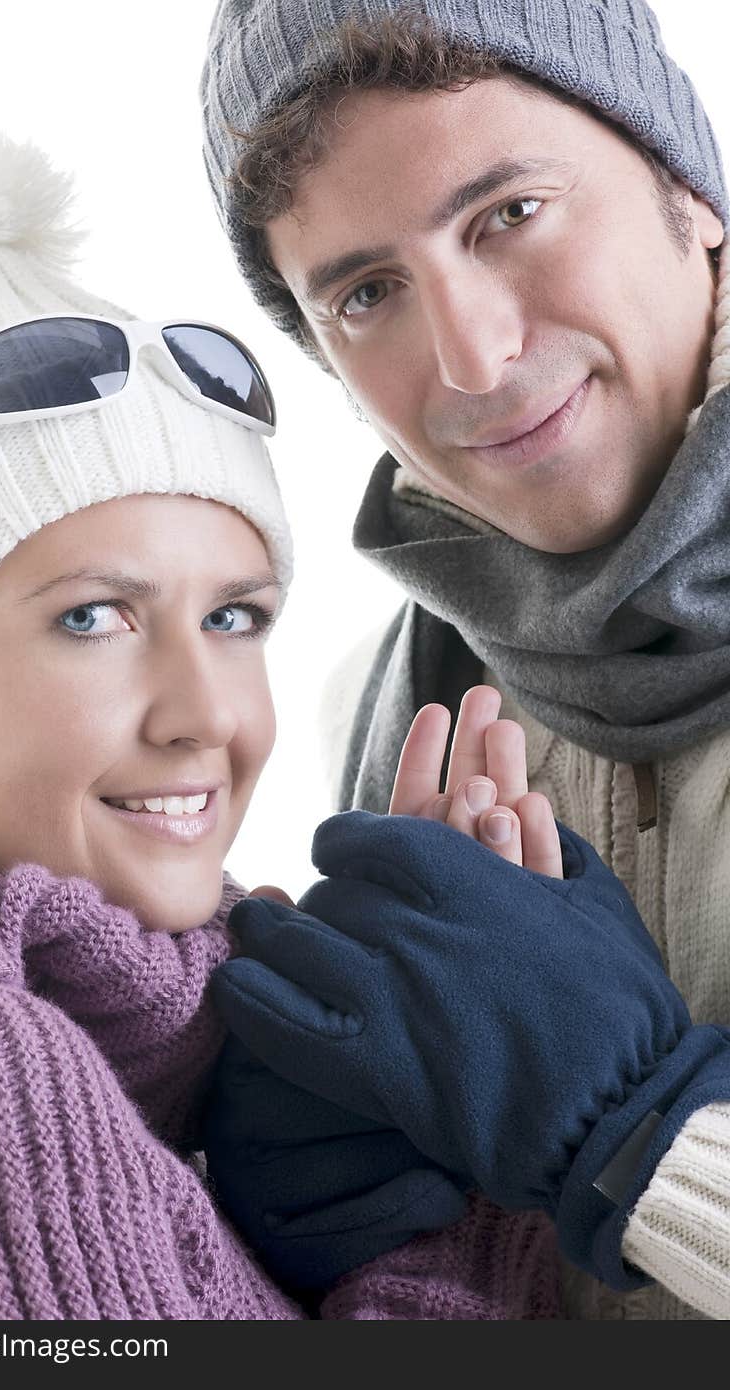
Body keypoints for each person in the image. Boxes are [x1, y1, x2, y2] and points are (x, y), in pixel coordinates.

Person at [0, 124, 562, 1320]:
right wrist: (485, 1154)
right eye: (92, 619)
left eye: (235, 617)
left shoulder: (185, 1016)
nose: (205, 717)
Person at [200, 0, 730, 1318]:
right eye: (367, 292)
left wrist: (647, 1130)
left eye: (509, 213)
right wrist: (337, 1224)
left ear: (691, 186)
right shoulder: (384, 713)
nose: (475, 358)